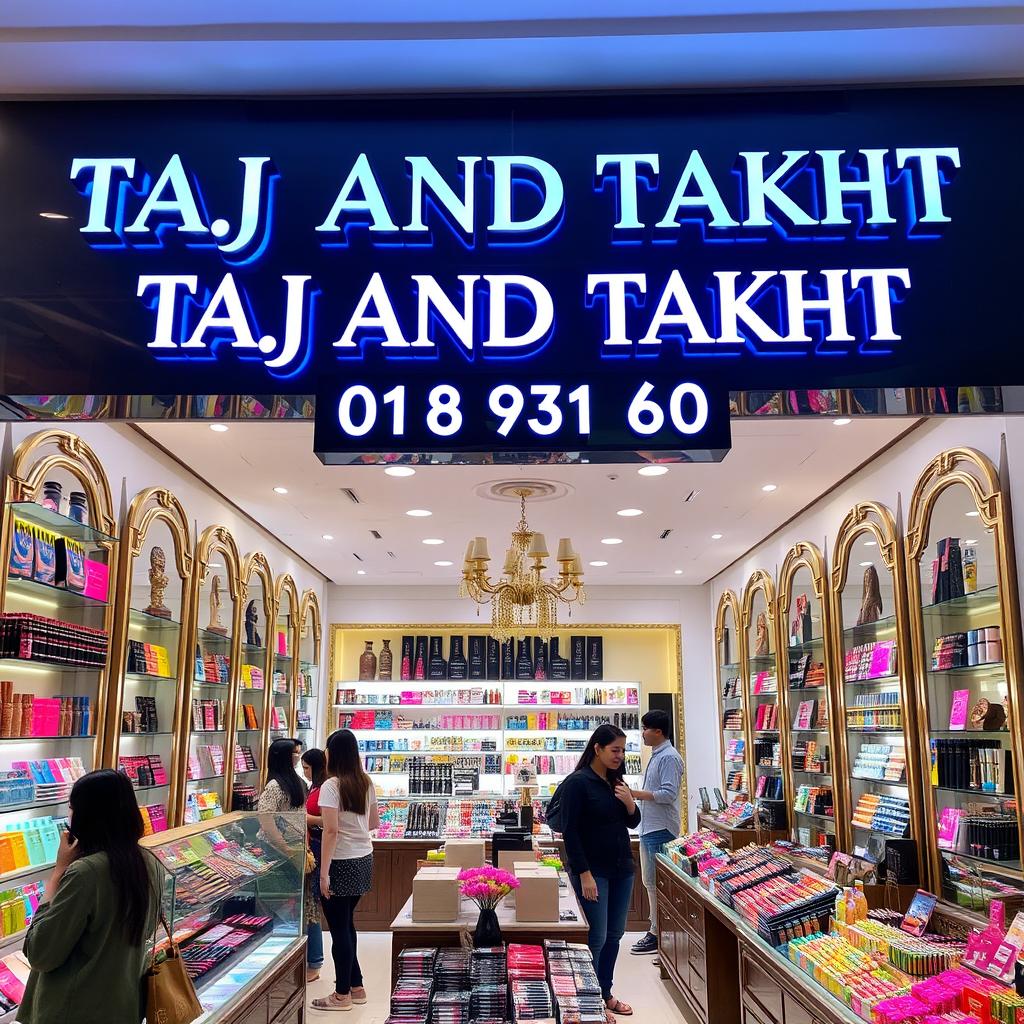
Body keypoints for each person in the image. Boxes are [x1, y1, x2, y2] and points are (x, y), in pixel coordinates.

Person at [18, 769, 161, 1024]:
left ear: (87, 817)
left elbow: (41, 953)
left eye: (72, 808)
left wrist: (58, 872)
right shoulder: (148, 862)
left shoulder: (85, 873)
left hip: (75, 1010)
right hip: (124, 1008)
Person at [560, 724, 640, 1020]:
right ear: (598, 748)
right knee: (596, 937)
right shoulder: (577, 783)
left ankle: (605, 993)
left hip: (623, 869)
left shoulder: (617, 781)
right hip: (594, 873)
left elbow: (632, 823)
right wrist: (584, 873)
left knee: (615, 935)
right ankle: (589, 1001)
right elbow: (570, 832)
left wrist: (630, 803)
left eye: (623, 750)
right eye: (614, 750)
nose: (620, 755)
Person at [313, 728, 379, 1012]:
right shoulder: (366, 782)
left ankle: (341, 995)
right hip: (364, 859)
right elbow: (374, 823)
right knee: (346, 924)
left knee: (339, 929)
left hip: (340, 863)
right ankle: (357, 986)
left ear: (332, 752)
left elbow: (330, 831)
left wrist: (324, 873)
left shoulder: (331, 786)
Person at [629, 708, 684, 956]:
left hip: (661, 828)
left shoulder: (669, 757)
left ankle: (657, 932)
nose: (642, 733)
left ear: (658, 731)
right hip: (649, 827)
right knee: (649, 882)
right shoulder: (657, 755)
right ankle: (657, 930)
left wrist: (634, 794)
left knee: (656, 884)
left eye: (645, 728)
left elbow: (668, 794)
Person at [301, 747, 328, 983]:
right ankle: (313, 960)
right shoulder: (315, 786)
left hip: (318, 847)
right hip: (313, 846)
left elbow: (330, 821)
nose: (304, 773)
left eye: (307, 768)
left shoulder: (326, 787)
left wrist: (306, 819)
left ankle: (315, 961)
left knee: (312, 904)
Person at [258, 737, 306, 814]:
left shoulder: (298, 780)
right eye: (295, 752)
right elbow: (265, 818)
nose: (298, 756)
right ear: (284, 756)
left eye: (299, 752)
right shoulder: (274, 786)